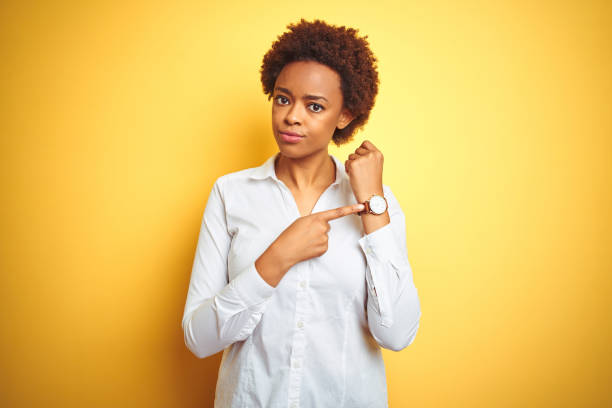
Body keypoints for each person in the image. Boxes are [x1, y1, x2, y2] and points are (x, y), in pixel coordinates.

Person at [182, 18, 421, 408]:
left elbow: (396, 335)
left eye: (314, 106)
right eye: (282, 98)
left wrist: (373, 205)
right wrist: (277, 258)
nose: (292, 116)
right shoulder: (231, 194)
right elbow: (199, 338)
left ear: (345, 116)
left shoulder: (378, 202)